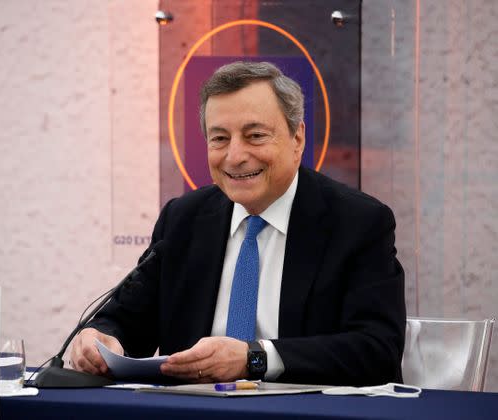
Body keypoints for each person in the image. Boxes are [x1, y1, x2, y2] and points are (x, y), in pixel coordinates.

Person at [70, 61, 406, 386]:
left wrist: (255, 358)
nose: (235, 156)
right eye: (219, 139)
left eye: (255, 135)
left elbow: (377, 350)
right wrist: (101, 340)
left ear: (297, 138)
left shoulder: (358, 222)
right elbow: (125, 321)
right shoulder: (183, 220)